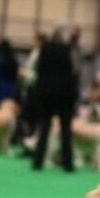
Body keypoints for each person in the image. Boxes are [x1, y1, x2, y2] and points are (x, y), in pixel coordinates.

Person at [31, 26, 81, 172]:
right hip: (64, 94)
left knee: (44, 126)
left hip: (46, 93)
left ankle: (37, 161)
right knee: (65, 129)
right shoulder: (67, 50)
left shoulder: (44, 49)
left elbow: (38, 70)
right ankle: (67, 163)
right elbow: (73, 72)